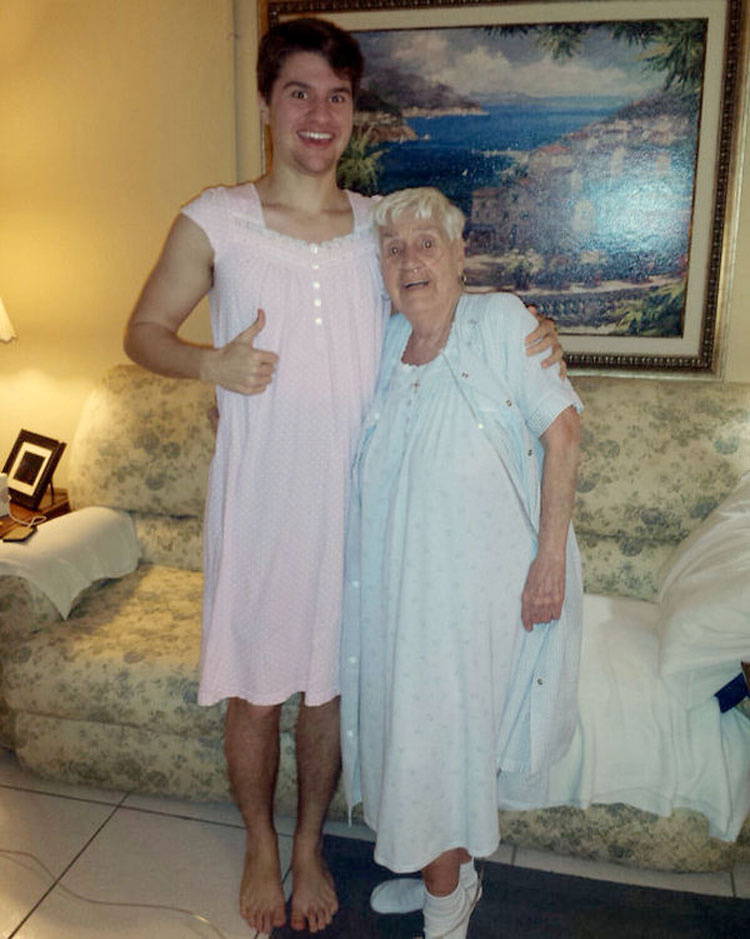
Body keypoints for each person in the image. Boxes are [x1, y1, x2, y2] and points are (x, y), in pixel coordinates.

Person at [124, 18, 563, 937]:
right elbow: (143, 332)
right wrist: (210, 366)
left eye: (337, 96)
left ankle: (310, 844)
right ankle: (258, 842)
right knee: (256, 692)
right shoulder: (216, 219)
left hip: (362, 513)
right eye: (299, 92)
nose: (319, 114)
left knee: (326, 692)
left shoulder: (373, 226)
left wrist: (528, 328)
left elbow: (434, 297)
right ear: (266, 103)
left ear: (352, 111)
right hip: (259, 508)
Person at [340, 187, 583, 939]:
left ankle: (446, 908)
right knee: (406, 735)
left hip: (472, 595)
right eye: (394, 249)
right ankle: (452, 877)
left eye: (427, 243)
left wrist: (549, 561)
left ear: (458, 254)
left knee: (434, 746)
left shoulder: (499, 323)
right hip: (397, 590)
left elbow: (565, 434)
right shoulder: (382, 343)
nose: (410, 260)